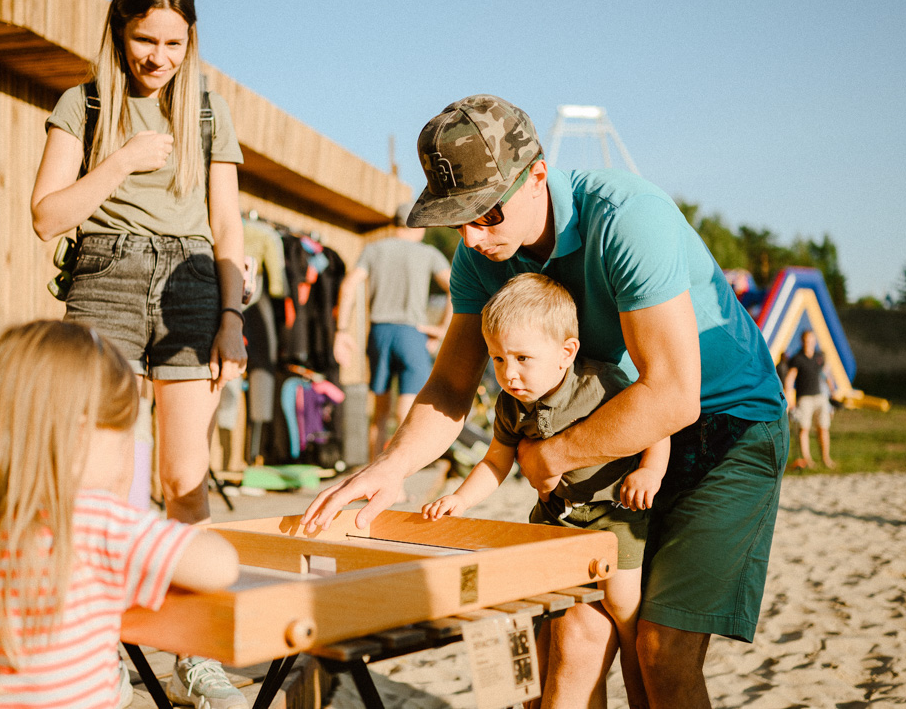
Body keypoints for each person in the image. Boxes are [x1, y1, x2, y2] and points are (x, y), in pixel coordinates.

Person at [304, 95, 788, 709]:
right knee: (575, 633)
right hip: (614, 442)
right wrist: (389, 469)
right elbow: (451, 385)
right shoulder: (483, 258)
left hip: (727, 424)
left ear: (535, 175)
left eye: (487, 214)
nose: (473, 236)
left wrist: (553, 453)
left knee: (661, 649)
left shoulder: (627, 217)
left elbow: (671, 395)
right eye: (459, 219)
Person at [30, 0, 248, 708]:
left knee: (185, 483)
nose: (158, 57)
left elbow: (227, 226)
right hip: (107, 281)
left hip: (193, 287)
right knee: (102, 484)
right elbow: (46, 215)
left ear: (192, 41)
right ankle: (100, 653)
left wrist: (232, 318)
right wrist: (120, 160)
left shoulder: (212, 114)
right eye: (144, 39)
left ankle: (196, 655)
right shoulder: (83, 104)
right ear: (119, 33)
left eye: (174, 43)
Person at [0, 320, 240, 709]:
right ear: (81, 434)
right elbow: (221, 566)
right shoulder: (96, 520)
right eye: (125, 436)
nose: (126, 460)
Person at [422, 273, 668, 708]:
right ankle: (524, 697)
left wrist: (649, 470)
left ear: (565, 354)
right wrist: (460, 498)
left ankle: (640, 690)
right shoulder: (510, 405)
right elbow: (496, 460)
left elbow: (656, 423)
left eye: (521, 358)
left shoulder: (600, 385)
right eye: (497, 360)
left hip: (613, 514)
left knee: (624, 609)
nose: (509, 374)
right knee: (532, 609)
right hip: (554, 518)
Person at [334, 201, 452, 461]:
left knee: (379, 414)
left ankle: (372, 474)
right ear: (419, 225)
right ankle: (395, 483)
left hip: (380, 334)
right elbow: (455, 287)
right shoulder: (428, 253)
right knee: (406, 414)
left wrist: (341, 330)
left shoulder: (374, 250)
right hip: (412, 335)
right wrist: (442, 330)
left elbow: (349, 285)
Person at [783, 329, 839, 469]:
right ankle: (807, 460)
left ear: (815, 342)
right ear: (802, 341)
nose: (809, 343)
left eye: (812, 341)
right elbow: (790, 379)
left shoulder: (819, 357)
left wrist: (833, 392)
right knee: (804, 429)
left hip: (820, 397)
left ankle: (826, 458)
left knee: (823, 428)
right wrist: (789, 398)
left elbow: (826, 375)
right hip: (804, 398)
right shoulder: (797, 358)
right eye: (807, 341)